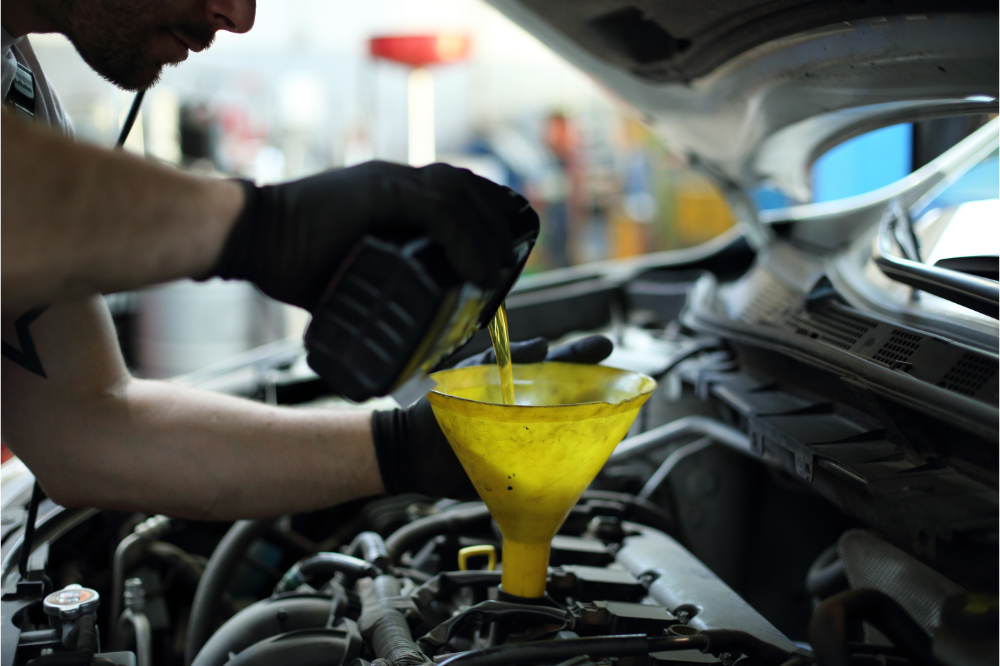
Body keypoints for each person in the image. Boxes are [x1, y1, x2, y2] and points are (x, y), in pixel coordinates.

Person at [1, 0, 614, 520]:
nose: (239, 15)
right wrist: (260, 227)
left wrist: (406, 448)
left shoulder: (20, 89)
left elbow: (88, 427)